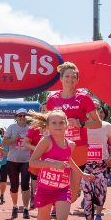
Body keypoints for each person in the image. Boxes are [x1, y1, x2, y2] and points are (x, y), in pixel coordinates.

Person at [29, 110, 94, 220]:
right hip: (45, 189)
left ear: (66, 125)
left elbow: (69, 160)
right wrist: (51, 164)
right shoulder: (46, 141)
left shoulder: (70, 144)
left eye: (61, 122)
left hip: (62, 189)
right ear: (48, 126)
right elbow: (32, 161)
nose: (58, 125)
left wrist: (82, 174)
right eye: (54, 123)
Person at [46, 62, 96, 203]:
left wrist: (81, 123)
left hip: (78, 147)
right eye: (67, 76)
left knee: (72, 195)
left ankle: (65, 205)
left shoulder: (84, 97)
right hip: (58, 146)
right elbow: (46, 124)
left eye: (74, 77)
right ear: (61, 78)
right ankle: (59, 213)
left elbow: (97, 123)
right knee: (56, 186)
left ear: (77, 80)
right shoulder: (52, 100)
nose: (70, 79)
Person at [82, 100, 111, 220]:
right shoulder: (81, 126)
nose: (95, 111)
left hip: (102, 166)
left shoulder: (106, 126)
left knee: (100, 198)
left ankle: (98, 211)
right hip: (85, 166)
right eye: (92, 108)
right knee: (88, 198)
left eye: (98, 109)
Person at [3, 108, 31, 219]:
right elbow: (4, 142)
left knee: (25, 185)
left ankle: (25, 209)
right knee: (14, 186)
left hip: (26, 160)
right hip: (12, 160)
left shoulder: (30, 128)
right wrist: (15, 139)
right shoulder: (11, 127)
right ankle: (15, 206)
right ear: (16, 117)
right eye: (20, 115)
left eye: (24, 115)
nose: (22, 118)